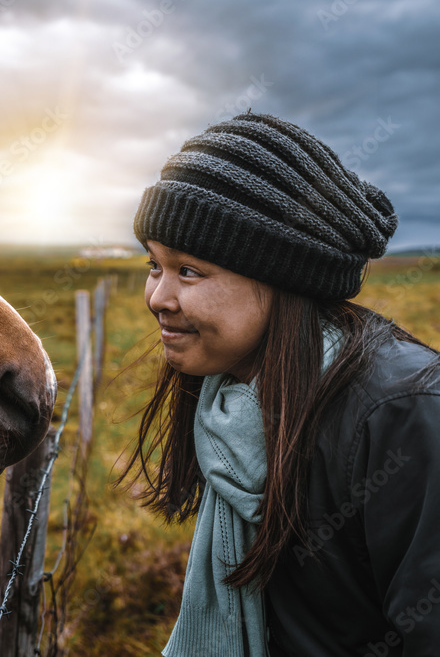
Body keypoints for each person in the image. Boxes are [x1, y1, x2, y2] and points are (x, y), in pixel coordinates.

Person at [119, 112, 440, 656]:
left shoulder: (405, 417)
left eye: (189, 271)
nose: (158, 298)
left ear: (283, 277)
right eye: (155, 265)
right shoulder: (230, 400)